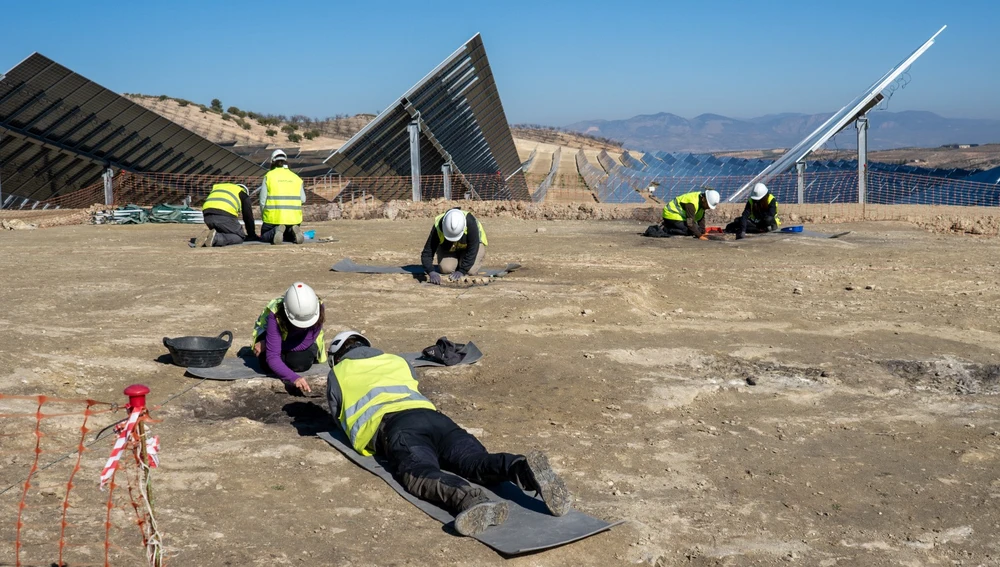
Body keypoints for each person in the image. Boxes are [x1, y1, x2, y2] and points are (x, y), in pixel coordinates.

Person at [326, 330, 571, 536]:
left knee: (420, 473)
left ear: (337, 358)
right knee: (475, 461)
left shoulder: (337, 373)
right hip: (434, 418)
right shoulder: (397, 360)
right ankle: (522, 468)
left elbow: (338, 415)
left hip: (398, 427)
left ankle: (472, 499)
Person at [251, 282, 327, 393]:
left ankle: (283, 362)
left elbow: (305, 343)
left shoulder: (317, 308)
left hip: (296, 343)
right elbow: (272, 357)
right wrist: (294, 378)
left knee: (300, 362)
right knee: (266, 364)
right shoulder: (275, 313)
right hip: (276, 338)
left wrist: (268, 345)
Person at [420, 208, 488, 284]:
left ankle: (461, 262)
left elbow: (473, 249)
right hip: (451, 248)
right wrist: (431, 271)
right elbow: (427, 252)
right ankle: (459, 261)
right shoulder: (438, 226)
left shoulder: (470, 222)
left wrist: (462, 270)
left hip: (473, 247)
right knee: (446, 269)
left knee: (470, 271)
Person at [258, 149, 307, 245]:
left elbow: (262, 200)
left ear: (272, 162)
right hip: (293, 219)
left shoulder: (269, 176)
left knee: (264, 235)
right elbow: (303, 199)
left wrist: (264, 215)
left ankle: (276, 230)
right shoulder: (296, 177)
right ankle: (292, 232)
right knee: (287, 236)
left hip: (273, 218)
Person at [195, 183, 257, 247]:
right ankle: (216, 238)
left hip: (207, 216)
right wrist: (251, 235)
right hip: (224, 215)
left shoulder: (221, 188)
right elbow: (248, 217)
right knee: (239, 237)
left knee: (222, 231)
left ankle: (208, 236)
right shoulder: (243, 194)